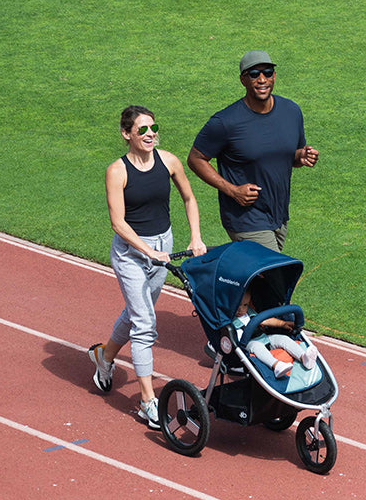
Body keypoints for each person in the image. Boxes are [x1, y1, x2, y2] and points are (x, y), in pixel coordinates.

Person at [89, 105, 207, 430]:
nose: (151, 133)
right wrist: (148, 252)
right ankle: (147, 402)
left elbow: (189, 198)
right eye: (142, 129)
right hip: (131, 252)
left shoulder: (169, 161)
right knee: (145, 323)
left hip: (163, 246)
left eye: (154, 127)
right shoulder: (117, 171)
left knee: (136, 313)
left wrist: (195, 237)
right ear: (127, 134)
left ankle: (104, 357)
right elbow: (118, 223)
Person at [187, 50, 318, 252]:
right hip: (245, 217)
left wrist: (301, 156)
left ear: (274, 76)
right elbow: (195, 159)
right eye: (254, 74)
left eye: (267, 72)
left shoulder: (291, 112)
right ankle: (209, 265)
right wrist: (233, 190)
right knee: (276, 275)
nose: (262, 79)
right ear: (243, 80)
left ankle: (214, 268)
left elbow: (289, 155)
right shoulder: (225, 122)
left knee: (261, 280)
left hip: (278, 214)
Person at [232, 285, 317, 378]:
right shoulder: (230, 320)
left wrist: (282, 324)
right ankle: (276, 366)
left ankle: (303, 357)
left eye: (245, 305)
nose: (241, 309)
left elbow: (265, 320)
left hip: (264, 338)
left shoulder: (248, 312)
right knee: (257, 346)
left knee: (282, 339)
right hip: (248, 345)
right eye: (237, 305)